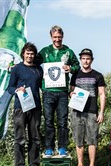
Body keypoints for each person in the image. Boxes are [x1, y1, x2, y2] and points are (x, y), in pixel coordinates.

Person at [36, 25, 80, 157]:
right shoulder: (45, 51)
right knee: (48, 121)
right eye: (54, 37)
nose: (57, 39)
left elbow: (77, 66)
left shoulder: (68, 51)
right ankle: (49, 148)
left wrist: (70, 68)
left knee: (62, 121)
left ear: (63, 37)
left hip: (62, 92)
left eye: (59, 37)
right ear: (51, 37)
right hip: (48, 92)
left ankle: (62, 148)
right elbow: (33, 64)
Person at [7, 42, 43, 166]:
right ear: (23, 54)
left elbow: (42, 86)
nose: (30, 56)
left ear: (35, 55)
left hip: (35, 108)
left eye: (32, 53)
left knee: (35, 138)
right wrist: (17, 90)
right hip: (20, 108)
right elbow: (9, 88)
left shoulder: (39, 69)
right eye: (27, 53)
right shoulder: (17, 69)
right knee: (19, 138)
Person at [69, 48, 106, 166]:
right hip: (77, 111)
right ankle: (80, 165)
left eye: (88, 58)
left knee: (92, 139)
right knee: (78, 139)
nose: (85, 61)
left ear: (92, 60)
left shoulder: (98, 75)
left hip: (92, 111)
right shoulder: (75, 75)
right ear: (80, 60)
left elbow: (102, 94)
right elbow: (71, 91)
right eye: (83, 58)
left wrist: (101, 112)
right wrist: (71, 93)